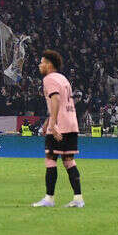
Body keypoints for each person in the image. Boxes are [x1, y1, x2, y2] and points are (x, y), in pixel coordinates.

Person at [32, 50, 83, 208]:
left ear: (49, 64)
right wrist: (49, 120)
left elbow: (55, 100)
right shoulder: (63, 79)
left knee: (50, 160)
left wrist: (53, 124)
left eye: (42, 62)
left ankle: (49, 198)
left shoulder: (49, 79)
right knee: (69, 161)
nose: (40, 65)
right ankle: (78, 199)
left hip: (60, 126)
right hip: (71, 123)